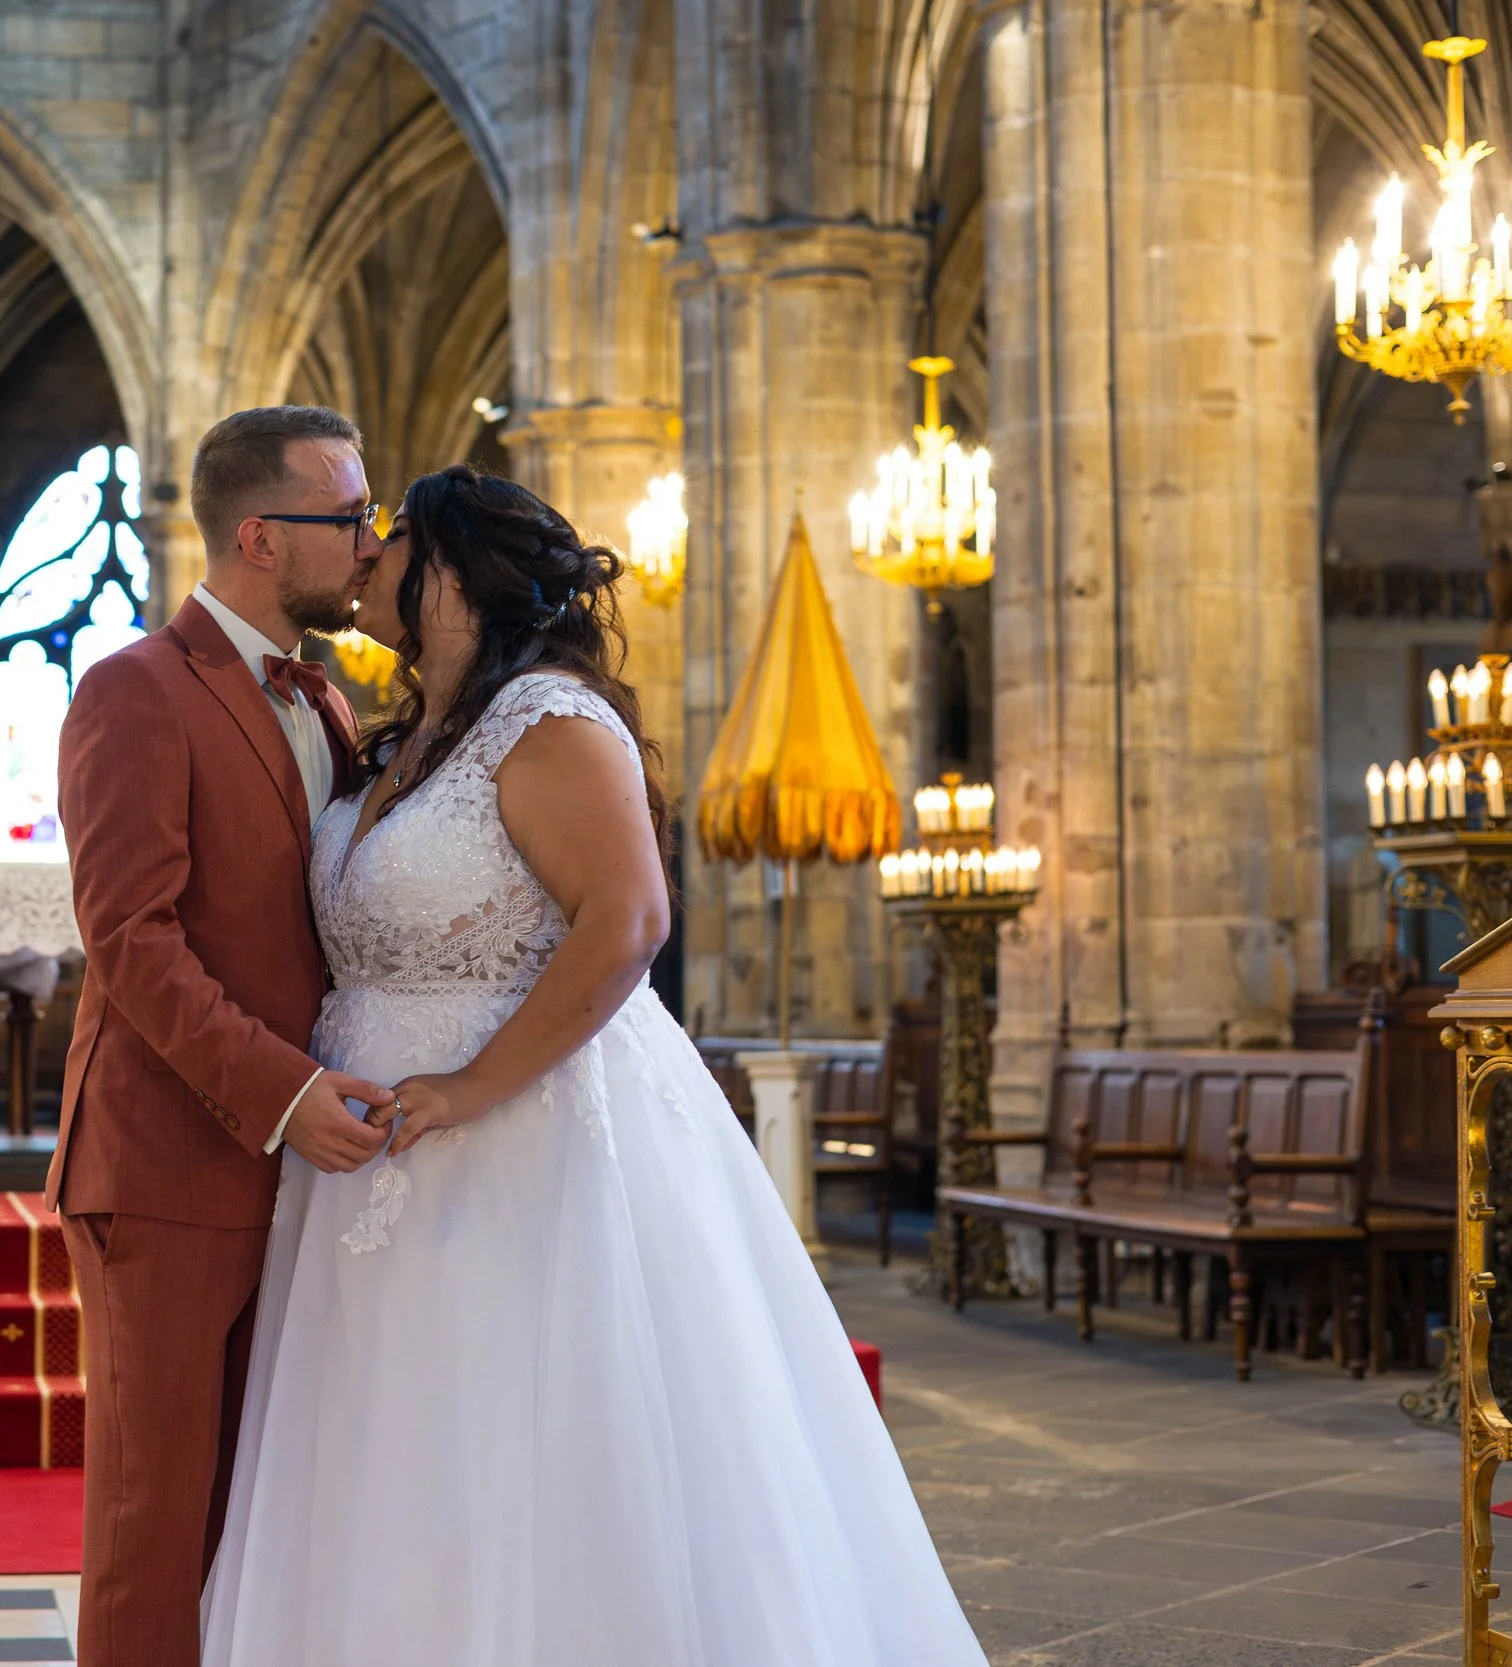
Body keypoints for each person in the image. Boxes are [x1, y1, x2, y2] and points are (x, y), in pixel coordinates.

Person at [199, 464, 989, 1666]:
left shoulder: (550, 721)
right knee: (393, 1447)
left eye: (391, 537)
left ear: (452, 569)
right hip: (366, 1156)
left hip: (523, 1133)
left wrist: (472, 1084)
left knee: (534, 1440)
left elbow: (625, 919)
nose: (365, 555)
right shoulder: (401, 735)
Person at [47, 405, 399, 1667]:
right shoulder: (136, 691)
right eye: (348, 517)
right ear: (260, 535)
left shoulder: (332, 700)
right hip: (170, 1165)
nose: (370, 545)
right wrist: (285, 1091)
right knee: (159, 1519)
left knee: (267, 1514)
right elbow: (131, 940)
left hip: (301, 1166)